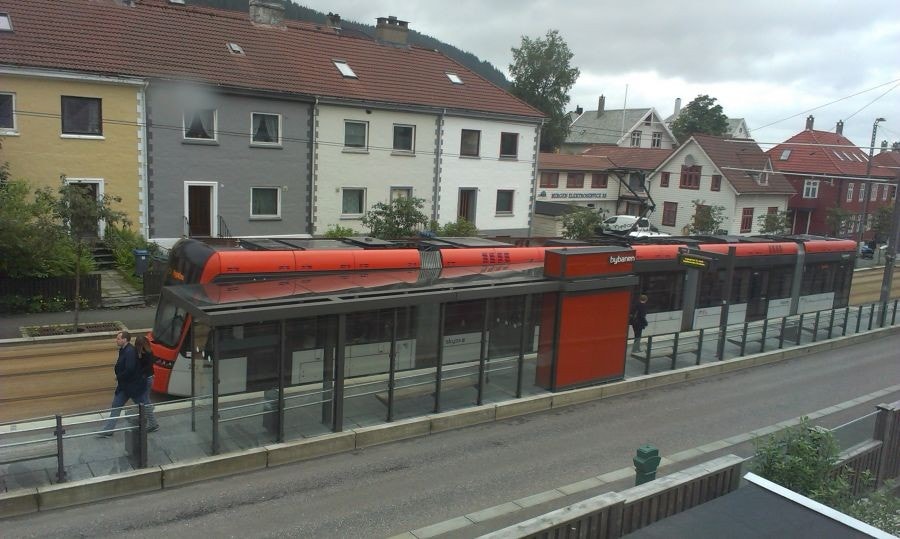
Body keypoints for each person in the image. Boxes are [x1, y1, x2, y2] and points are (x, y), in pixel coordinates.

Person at [97, 331, 146, 437]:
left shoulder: (129, 352)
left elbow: (130, 369)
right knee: (116, 406)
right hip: (125, 386)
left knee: (143, 406)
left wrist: (118, 376)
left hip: (132, 387)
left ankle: (152, 423)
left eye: (118, 338)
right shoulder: (124, 350)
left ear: (125, 340)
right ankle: (108, 430)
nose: (116, 340)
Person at [134, 335, 160, 432]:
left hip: (146, 379)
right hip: (149, 378)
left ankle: (153, 424)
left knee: (145, 400)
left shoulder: (145, 354)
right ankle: (149, 411)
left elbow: (145, 367)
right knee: (145, 399)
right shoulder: (148, 352)